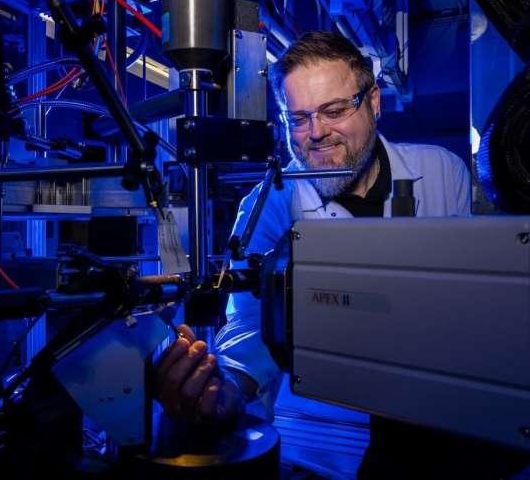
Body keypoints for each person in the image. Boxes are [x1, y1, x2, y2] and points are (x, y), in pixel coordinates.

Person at [155, 30, 475, 475]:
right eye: (299, 119)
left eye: (335, 111)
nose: (317, 133)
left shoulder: (441, 171)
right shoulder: (266, 205)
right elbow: (250, 324)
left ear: (374, 102)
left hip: (435, 423)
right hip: (314, 434)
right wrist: (224, 387)